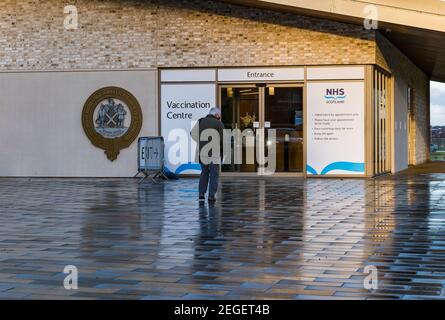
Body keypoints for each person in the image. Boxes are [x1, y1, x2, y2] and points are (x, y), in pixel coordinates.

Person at [191, 108, 224, 202]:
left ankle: (201, 193)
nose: (219, 117)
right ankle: (211, 195)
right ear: (217, 115)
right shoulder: (219, 124)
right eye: (219, 115)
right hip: (215, 153)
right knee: (214, 174)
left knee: (204, 172)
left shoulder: (200, 121)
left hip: (202, 152)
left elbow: (192, 134)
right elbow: (222, 140)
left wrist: (201, 141)